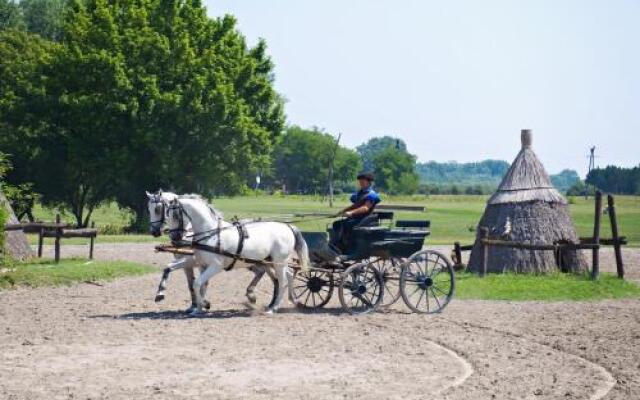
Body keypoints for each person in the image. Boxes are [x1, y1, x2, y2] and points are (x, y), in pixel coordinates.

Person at [331, 172, 382, 252]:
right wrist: (342, 211)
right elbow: (355, 206)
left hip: (365, 218)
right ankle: (336, 244)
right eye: (360, 181)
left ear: (369, 182)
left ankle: (348, 247)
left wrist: (351, 213)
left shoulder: (371, 194)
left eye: (363, 181)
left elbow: (365, 208)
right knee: (336, 224)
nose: (360, 182)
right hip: (356, 218)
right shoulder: (359, 194)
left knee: (347, 225)